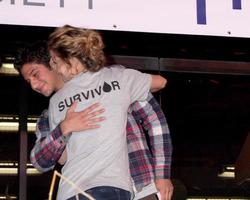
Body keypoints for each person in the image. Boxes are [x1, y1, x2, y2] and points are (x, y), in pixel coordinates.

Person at [14, 28, 171, 200]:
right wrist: (64, 128)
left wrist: (161, 174)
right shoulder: (48, 115)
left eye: (35, 74)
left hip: (141, 187)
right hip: (85, 190)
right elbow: (41, 162)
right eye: (28, 81)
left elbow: (155, 121)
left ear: (54, 62)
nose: (34, 85)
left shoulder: (112, 80)